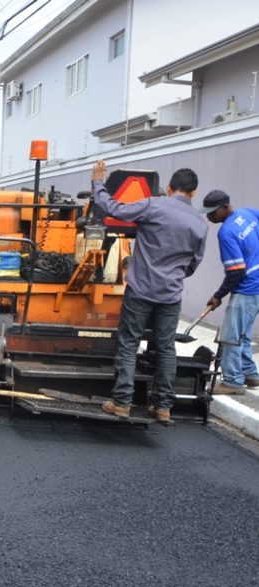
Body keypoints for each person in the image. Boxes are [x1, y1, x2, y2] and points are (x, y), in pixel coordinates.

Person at [91, 160, 208, 424]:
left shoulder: (154, 205)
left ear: (169, 188)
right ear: (193, 193)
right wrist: (174, 276)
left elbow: (113, 208)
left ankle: (122, 403)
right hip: (171, 294)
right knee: (166, 349)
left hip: (141, 289)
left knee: (129, 343)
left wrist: (98, 182)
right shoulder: (200, 225)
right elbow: (193, 264)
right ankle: (163, 407)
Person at [200, 190, 259, 395]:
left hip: (248, 288)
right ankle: (250, 374)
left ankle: (233, 381)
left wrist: (218, 295)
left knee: (231, 336)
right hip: (257, 286)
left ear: (225, 207)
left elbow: (237, 271)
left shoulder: (226, 232)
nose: (209, 217)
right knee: (243, 332)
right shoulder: (247, 214)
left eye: (212, 213)